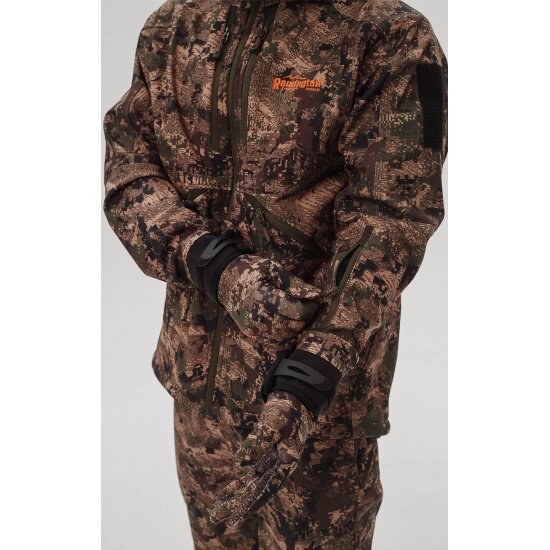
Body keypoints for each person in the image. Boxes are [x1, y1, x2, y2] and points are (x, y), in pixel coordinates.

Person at [103, 0, 447, 546]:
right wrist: (213, 262)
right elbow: (129, 170)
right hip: (200, 390)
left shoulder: (389, 36)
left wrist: (312, 374)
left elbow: (391, 220)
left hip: (318, 406)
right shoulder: (175, 25)